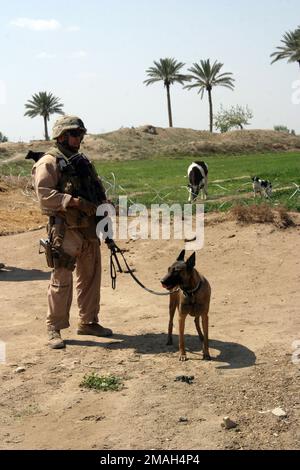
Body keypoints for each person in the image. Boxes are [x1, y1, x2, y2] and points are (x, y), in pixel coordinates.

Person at [32, 115, 114, 349]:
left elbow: (95, 188)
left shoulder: (83, 161)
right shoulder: (48, 162)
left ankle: (88, 321)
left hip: (89, 228)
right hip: (65, 229)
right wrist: (74, 202)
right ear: (61, 135)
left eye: (80, 134)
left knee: (90, 277)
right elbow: (45, 196)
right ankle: (54, 327)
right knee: (62, 278)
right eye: (75, 134)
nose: (79, 138)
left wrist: (103, 205)